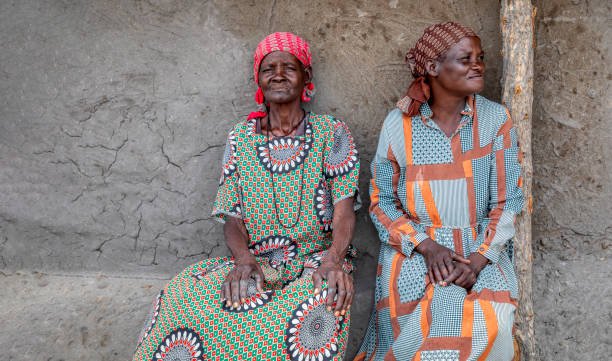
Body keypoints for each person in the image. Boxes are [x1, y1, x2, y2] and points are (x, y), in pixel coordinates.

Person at [132, 32, 361, 361]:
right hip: (257, 262)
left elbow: (344, 212)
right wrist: (243, 260)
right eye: (269, 69)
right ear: (258, 79)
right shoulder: (240, 137)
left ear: (306, 76)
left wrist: (334, 260)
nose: (278, 75)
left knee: (319, 307)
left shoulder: (331, 131)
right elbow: (232, 217)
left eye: (289, 68)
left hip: (315, 262)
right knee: (182, 294)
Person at [355, 22, 523, 361]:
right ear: (432, 68)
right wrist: (427, 247)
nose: (477, 65)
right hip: (417, 253)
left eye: (480, 57)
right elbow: (381, 202)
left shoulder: (494, 119)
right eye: (465, 59)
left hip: (481, 251)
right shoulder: (398, 125)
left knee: (493, 325)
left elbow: (508, 202)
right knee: (418, 330)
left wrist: (476, 261)